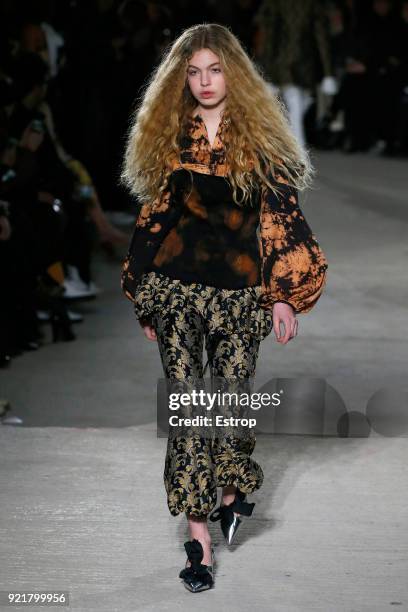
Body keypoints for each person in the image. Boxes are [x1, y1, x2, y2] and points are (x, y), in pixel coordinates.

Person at [120, 23, 328, 593]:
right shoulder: (171, 135)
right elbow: (156, 218)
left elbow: (280, 217)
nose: (205, 82)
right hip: (178, 290)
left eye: (214, 70)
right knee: (190, 411)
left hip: (239, 296)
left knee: (228, 401)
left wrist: (283, 295)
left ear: (232, 73)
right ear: (181, 78)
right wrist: (142, 291)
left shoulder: (259, 136)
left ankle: (233, 492)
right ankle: (198, 540)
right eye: (194, 72)